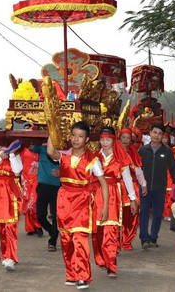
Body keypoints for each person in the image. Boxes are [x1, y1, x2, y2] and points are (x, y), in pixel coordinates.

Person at [47, 121, 109, 290]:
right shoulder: (64, 156)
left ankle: (83, 276)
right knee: (66, 240)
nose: (76, 139)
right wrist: (52, 128)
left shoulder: (93, 160)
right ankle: (71, 275)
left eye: (80, 136)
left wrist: (105, 207)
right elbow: (50, 151)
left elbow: (103, 184)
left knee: (79, 239)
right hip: (64, 201)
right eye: (73, 135)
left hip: (82, 201)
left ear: (87, 139)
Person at [94, 127, 138, 278]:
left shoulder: (120, 157)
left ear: (113, 141)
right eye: (102, 140)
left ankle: (111, 266)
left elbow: (127, 179)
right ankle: (101, 259)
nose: (105, 143)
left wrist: (132, 199)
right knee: (98, 230)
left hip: (113, 195)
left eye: (108, 140)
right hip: (96, 194)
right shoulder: (94, 156)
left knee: (111, 229)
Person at [138, 123, 175, 249]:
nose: (157, 135)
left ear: (163, 136)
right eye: (154, 132)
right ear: (150, 133)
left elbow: (173, 168)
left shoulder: (167, 152)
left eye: (159, 133)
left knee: (157, 214)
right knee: (144, 212)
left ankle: (153, 237)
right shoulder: (142, 151)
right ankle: (144, 239)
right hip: (145, 188)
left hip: (160, 188)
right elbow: (137, 169)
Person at [0, 145, 23, 270]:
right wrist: (0, 156)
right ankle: (4, 255)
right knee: (1, 226)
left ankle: (10, 256)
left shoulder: (15, 154)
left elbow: (17, 170)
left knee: (10, 225)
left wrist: (12, 154)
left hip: (10, 191)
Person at [29, 143, 61, 251]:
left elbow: (72, 167)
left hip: (58, 187)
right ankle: (53, 231)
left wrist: (62, 172)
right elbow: (30, 145)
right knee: (40, 215)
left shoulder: (64, 151)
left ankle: (52, 241)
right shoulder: (42, 149)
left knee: (56, 215)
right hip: (43, 186)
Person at [118, 128, 147, 250]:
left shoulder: (133, 152)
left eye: (128, 138)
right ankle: (114, 242)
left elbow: (138, 171)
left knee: (131, 214)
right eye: (123, 137)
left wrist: (143, 184)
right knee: (115, 215)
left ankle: (127, 240)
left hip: (132, 186)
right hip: (117, 186)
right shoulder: (113, 151)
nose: (125, 140)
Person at [19, 146, 43, 237]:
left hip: (36, 179)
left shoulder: (40, 148)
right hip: (25, 179)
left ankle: (38, 225)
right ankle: (30, 228)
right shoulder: (23, 147)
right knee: (27, 202)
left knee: (33, 203)